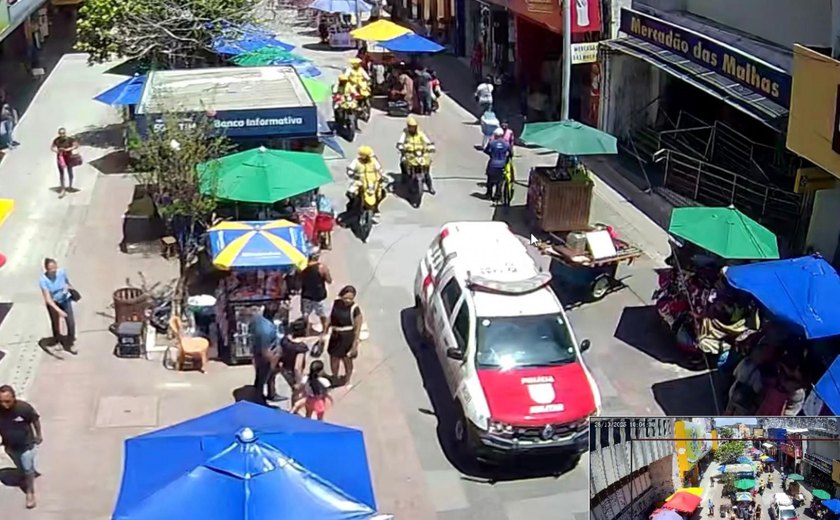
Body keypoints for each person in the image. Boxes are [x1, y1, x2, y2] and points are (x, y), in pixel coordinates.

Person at [0, 385, 42, 509]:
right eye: (1, 401)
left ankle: (30, 493)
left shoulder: (23, 408)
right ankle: (27, 472)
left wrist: (38, 435)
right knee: (21, 467)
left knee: (27, 469)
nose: (4, 405)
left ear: (14, 398)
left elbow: (35, 419)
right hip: (10, 446)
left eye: (7, 401)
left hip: (26, 445)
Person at [326, 285, 363, 385]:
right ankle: (335, 376)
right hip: (335, 335)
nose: (348, 300)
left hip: (347, 337)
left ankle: (347, 379)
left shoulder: (355, 309)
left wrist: (355, 344)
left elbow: (358, 327)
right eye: (346, 298)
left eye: (351, 298)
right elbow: (330, 318)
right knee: (333, 357)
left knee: (347, 360)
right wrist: (324, 331)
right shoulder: (336, 303)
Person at [39, 257, 77, 352]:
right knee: (55, 323)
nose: (54, 272)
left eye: (55, 269)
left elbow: (67, 282)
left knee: (71, 322)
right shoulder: (43, 280)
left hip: (65, 299)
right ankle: (57, 340)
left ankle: (70, 341)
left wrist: (68, 288)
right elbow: (48, 299)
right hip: (53, 302)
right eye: (51, 270)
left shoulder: (62, 272)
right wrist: (59, 311)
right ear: (46, 269)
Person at [248, 306, 281, 403]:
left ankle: (272, 394)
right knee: (263, 377)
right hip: (266, 357)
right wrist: (272, 362)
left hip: (257, 352)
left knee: (267, 376)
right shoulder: (266, 330)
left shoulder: (257, 319)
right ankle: (259, 400)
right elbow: (265, 352)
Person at [397, 116, 435, 194]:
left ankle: (430, 187)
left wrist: (430, 146)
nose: (412, 129)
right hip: (409, 153)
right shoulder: (405, 133)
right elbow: (401, 141)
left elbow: (426, 140)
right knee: (403, 162)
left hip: (420, 153)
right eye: (411, 127)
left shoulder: (420, 134)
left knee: (427, 169)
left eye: (414, 127)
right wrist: (401, 146)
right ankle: (405, 178)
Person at [345, 146, 386, 217]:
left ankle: (376, 207)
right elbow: (350, 170)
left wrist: (382, 177)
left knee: (382, 193)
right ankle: (352, 207)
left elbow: (379, 169)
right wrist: (353, 175)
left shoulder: (373, 161)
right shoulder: (356, 161)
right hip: (360, 181)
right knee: (350, 193)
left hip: (373, 181)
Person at [299, 250, 332, 335]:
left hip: (306, 295)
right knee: (323, 314)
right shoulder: (322, 268)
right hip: (319, 296)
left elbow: (299, 281)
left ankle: (306, 332)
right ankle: (324, 331)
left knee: (306, 314)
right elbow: (329, 280)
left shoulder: (302, 268)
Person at [279, 321, 309, 405]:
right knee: (299, 393)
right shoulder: (300, 347)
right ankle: (295, 412)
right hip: (293, 372)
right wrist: (298, 382)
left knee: (295, 392)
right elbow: (297, 367)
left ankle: (294, 410)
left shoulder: (285, 341)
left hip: (285, 369)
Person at [483, 127, 512, 202]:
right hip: (502, 164)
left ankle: (489, 194)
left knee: (490, 179)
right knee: (499, 181)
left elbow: (486, 150)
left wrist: (491, 154)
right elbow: (511, 153)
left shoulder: (492, 143)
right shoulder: (506, 144)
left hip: (493, 163)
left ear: (495, 135)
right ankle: (497, 196)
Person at [50, 128, 79, 198]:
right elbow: (52, 147)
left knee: (70, 172)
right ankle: (63, 189)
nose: (62, 135)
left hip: (68, 157)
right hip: (60, 158)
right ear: (59, 134)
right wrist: (57, 151)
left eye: (63, 133)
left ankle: (70, 186)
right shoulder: (57, 140)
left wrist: (68, 149)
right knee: (61, 174)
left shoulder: (69, 139)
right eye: (60, 133)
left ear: (65, 133)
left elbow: (76, 145)